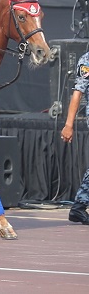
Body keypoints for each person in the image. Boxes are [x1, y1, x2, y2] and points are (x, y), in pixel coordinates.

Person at [60, 50, 89, 225]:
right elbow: (78, 93)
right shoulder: (87, 60)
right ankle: (78, 206)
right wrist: (69, 124)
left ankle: (78, 206)